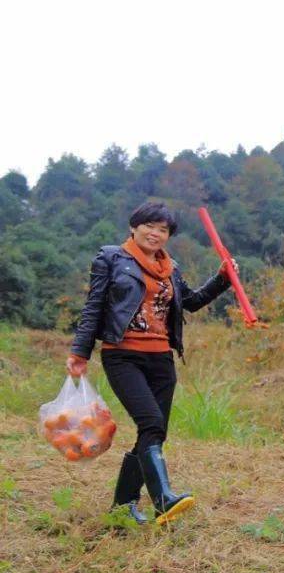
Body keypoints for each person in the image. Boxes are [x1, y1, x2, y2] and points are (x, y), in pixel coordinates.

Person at [67, 202, 235, 526]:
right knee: (151, 422)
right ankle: (163, 498)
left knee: (154, 431)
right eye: (150, 226)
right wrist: (80, 352)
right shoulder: (112, 258)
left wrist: (222, 278)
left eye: (164, 230)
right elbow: (94, 307)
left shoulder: (171, 268)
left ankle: (122, 509)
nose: (156, 234)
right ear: (134, 225)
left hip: (161, 359)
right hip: (123, 354)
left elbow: (192, 301)